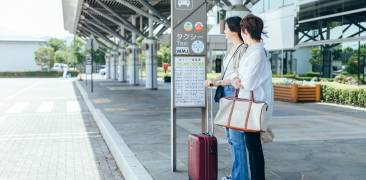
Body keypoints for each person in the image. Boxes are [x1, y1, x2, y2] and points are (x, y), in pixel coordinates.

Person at [204, 16, 249, 180]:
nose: (224, 31)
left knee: (237, 139)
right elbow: (228, 73)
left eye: (226, 28)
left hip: (233, 93)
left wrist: (217, 82)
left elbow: (239, 76)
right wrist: (217, 81)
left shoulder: (244, 49)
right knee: (232, 139)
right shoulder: (232, 49)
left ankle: (240, 177)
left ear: (234, 30)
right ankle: (237, 175)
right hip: (226, 93)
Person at [231, 15, 274, 180]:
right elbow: (239, 74)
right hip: (249, 104)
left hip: (253, 106)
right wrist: (237, 78)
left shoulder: (257, 53)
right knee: (252, 146)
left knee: (254, 147)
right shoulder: (252, 50)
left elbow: (248, 82)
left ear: (246, 30)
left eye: (242, 29)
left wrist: (237, 81)